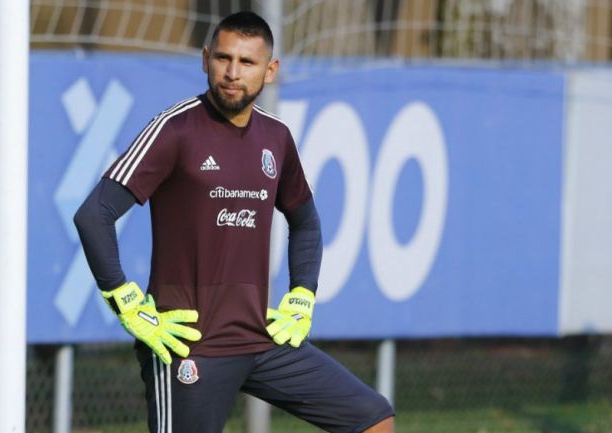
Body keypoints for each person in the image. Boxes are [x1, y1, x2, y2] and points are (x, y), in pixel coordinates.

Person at [74, 11, 395, 433]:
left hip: (260, 340)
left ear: (271, 70)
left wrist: (302, 294)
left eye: (247, 62)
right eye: (223, 58)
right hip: (188, 345)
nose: (232, 72)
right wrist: (126, 302)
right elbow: (94, 214)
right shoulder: (174, 129)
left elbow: (306, 222)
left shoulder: (276, 138)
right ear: (206, 58)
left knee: (373, 418)